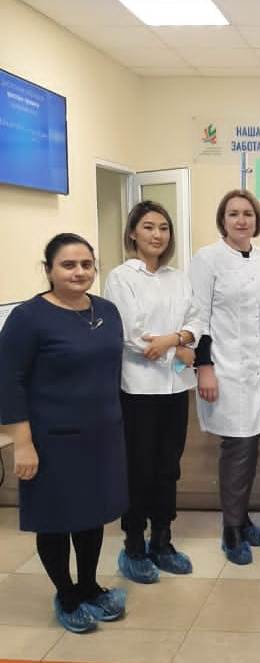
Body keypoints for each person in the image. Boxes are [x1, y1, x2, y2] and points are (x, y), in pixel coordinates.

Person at [0, 233, 127, 633]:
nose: (79, 272)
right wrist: (23, 444)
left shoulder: (107, 311)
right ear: (49, 270)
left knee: (91, 515)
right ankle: (67, 594)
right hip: (51, 439)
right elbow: (8, 382)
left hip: (101, 436)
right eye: (68, 265)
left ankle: (89, 586)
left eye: (86, 264)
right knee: (55, 518)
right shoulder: (28, 318)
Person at [104, 201, 201, 583]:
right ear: (132, 232)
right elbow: (131, 335)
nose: (157, 234)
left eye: (163, 227)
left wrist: (175, 340)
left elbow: (196, 319)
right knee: (139, 468)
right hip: (139, 389)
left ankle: (163, 540)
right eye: (148, 227)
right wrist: (179, 348)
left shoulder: (178, 277)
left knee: (168, 466)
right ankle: (133, 545)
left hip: (175, 386)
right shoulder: (121, 278)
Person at [189, 189, 260, 565]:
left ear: (257, 219)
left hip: (259, 369)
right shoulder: (207, 258)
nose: (242, 220)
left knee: (252, 444)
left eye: (248, 214)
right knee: (237, 447)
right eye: (233, 214)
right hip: (224, 367)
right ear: (222, 220)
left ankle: (241, 516)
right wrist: (204, 366)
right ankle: (231, 529)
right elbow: (198, 315)